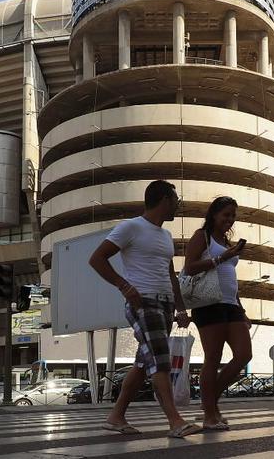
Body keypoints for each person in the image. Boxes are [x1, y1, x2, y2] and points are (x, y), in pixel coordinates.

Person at [89, 180, 201, 439]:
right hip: (143, 302)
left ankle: (116, 416)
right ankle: (175, 421)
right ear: (164, 200)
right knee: (160, 360)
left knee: (143, 364)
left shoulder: (165, 235)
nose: (178, 205)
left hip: (164, 305)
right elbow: (97, 258)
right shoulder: (131, 227)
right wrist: (124, 286)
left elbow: (170, 273)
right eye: (176, 200)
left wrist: (180, 307)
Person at [182, 196, 251, 430]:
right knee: (213, 357)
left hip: (231, 305)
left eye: (233, 216)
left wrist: (242, 309)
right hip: (208, 304)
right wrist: (224, 256)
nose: (230, 220)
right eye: (226, 215)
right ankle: (210, 414)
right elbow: (189, 267)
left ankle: (209, 403)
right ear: (214, 215)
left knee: (244, 355)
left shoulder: (225, 241)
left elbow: (230, 278)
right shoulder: (202, 237)